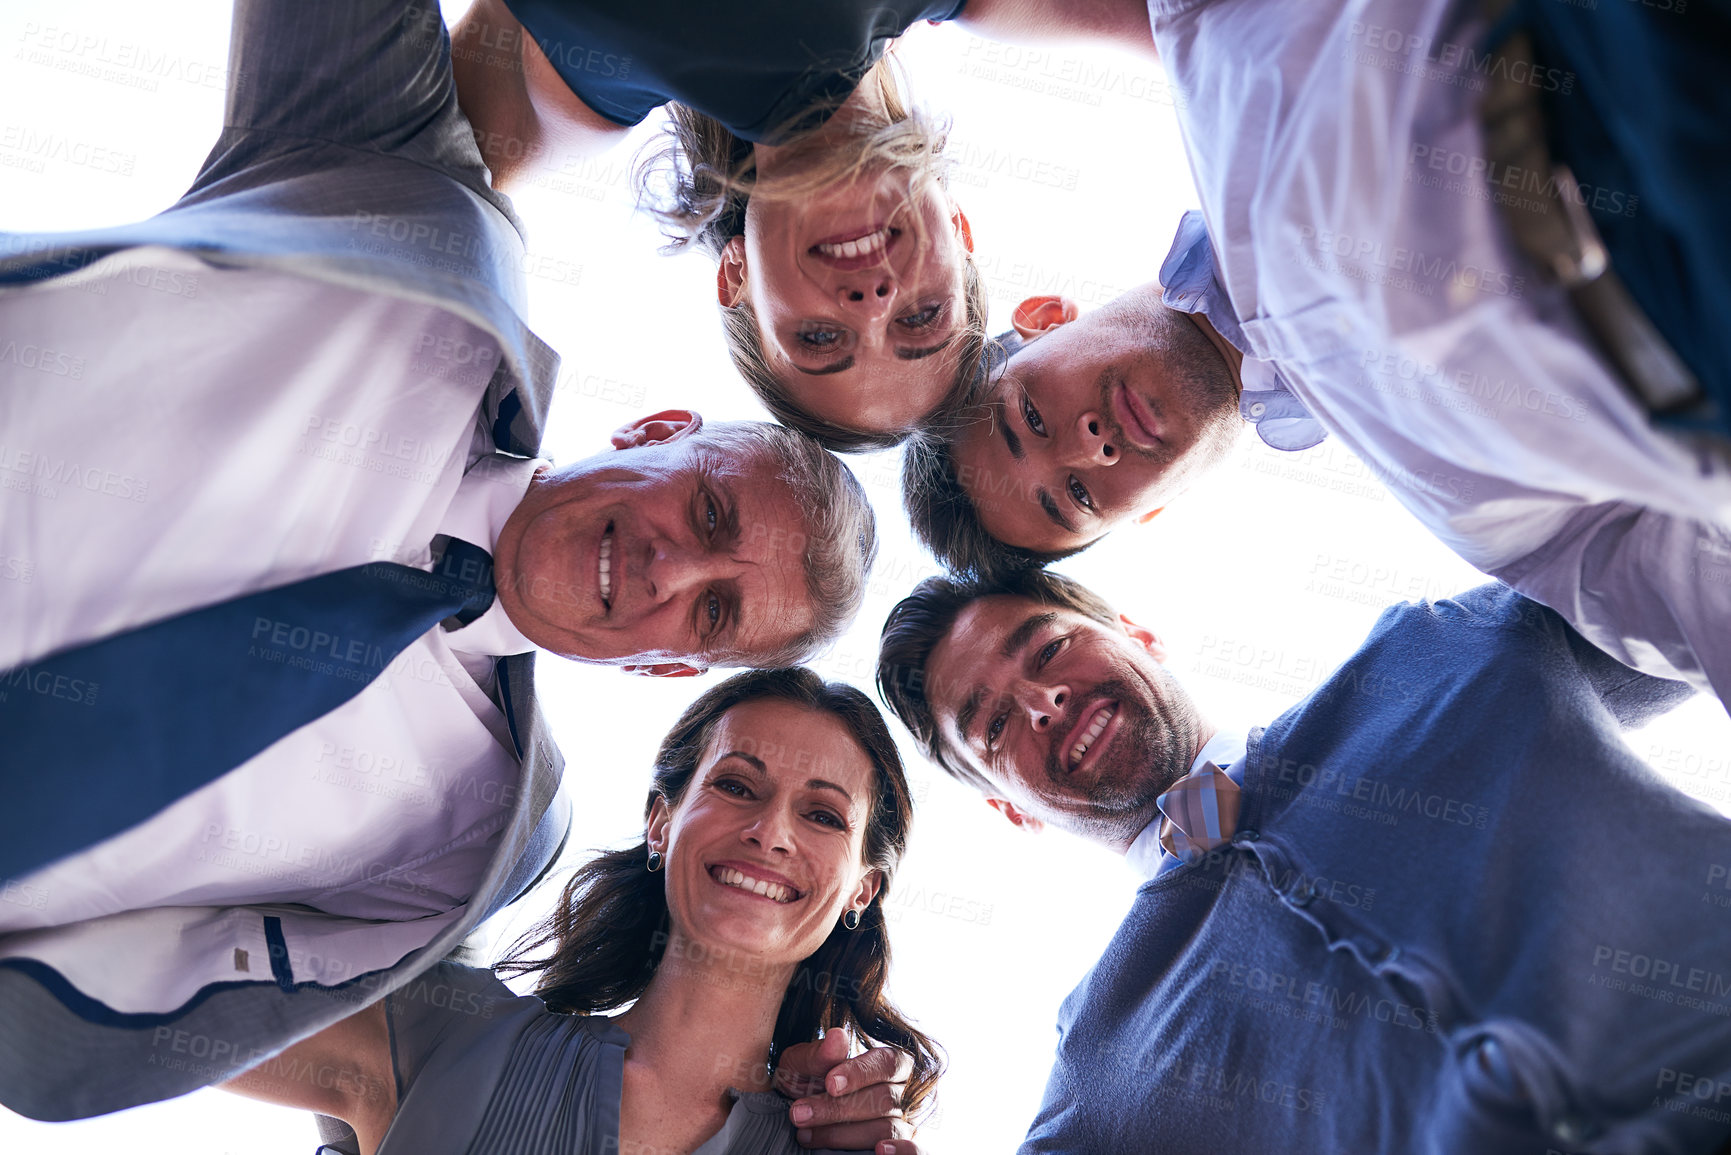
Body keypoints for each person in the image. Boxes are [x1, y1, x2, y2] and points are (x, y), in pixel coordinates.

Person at [0, 0, 874, 1128]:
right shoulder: (421, 227)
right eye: (707, 513)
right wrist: (844, 101)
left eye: (711, 615)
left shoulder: (470, 842)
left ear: (670, 674)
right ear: (657, 429)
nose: (667, 573)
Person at [875, 567, 1731, 1152]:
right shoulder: (1098, 1063)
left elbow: (1686, 565)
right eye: (991, 726)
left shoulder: (1434, 654)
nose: (1042, 697)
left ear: (1136, 631)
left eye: (1049, 647)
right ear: (1007, 810)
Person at [903, 208, 1731, 711]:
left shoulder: (1237, 92)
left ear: (1045, 315)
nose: (1088, 443)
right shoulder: (1473, 503)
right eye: (1077, 494)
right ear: (1146, 511)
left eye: (1032, 417)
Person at [218, 669, 940, 1155]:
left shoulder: (845, 1145)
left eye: (821, 813)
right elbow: (155, 996)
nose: (771, 831)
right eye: (736, 785)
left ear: (860, 890)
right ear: (661, 823)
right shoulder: (445, 1028)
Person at [447, 0, 990, 450]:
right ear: (960, 230)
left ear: (736, 276)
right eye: (921, 317)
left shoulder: (554, 100)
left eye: (820, 338)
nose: (873, 303)